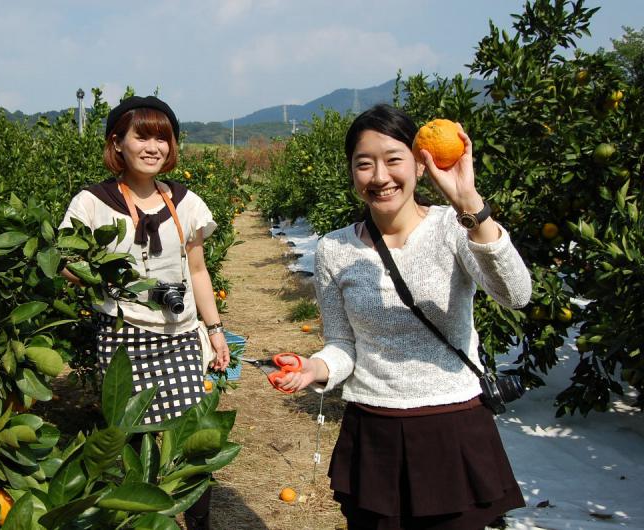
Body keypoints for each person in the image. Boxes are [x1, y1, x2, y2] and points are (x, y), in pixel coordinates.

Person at [274, 104, 531, 530]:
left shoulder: (455, 227)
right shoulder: (334, 250)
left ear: (419, 162)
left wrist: (471, 204)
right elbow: (343, 345)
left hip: (452, 425)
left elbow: (516, 295)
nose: (380, 177)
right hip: (374, 430)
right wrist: (313, 368)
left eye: (393, 159)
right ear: (351, 172)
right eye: (364, 164)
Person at [59, 95, 229, 530]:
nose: (153, 146)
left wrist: (215, 329)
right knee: (129, 438)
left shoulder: (187, 203)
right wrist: (104, 276)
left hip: (179, 336)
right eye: (142, 136)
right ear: (118, 144)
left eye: (163, 138)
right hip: (123, 336)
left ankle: (197, 522)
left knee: (188, 440)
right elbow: (65, 265)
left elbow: (197, 271)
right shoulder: (91, 203)